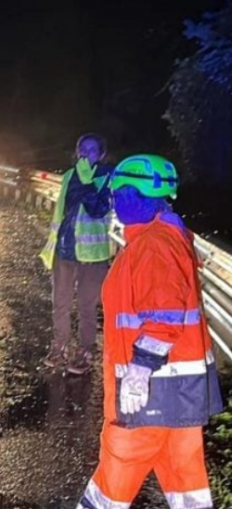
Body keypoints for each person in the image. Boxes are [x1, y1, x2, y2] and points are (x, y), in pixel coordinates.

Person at [76, 154, 223, 509]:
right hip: (178, 393)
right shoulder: (163, 237)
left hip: (150, 392)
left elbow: (164, 316)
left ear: (135, 196)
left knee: (116, 474)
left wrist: (140, 371)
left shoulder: (154, 244)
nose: (114, 203)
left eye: (118, 195)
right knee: (184, 477)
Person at [39, 133, 114, 375]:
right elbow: (62, 210)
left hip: (93, 255)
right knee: (60, 303)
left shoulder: (107, 176)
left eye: (92, 150)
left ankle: (84, 351)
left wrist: (87, 181)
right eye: (83, 149)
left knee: (86, 306)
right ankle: (59, 346)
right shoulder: (69, 175)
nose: (86, 154)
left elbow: (98, 209)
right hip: (64, 249)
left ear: (101, 154)